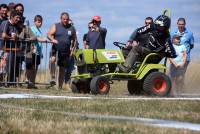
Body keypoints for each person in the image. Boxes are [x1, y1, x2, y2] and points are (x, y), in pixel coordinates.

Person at [48, 12, 77, 89]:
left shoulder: (71, 28)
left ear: (68, 19)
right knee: (52, 60)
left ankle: (60, 87)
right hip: (55, 49)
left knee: (62, 69)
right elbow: (49, 34)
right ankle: (53, 77)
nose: (65, 20)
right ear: (61, 19)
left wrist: (72, 50)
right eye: (64, 19)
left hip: (66, 52)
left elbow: (74, 40)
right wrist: (52, 39)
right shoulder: (56, 26)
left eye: (67, 19)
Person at [171, 18, 194, 87]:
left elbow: (191, 45)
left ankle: (180, 90)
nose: (181, 26)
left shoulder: (189, 34)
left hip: (185, 59)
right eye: (179, 24)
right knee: (172, 75)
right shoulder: (173, 33)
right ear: (177, 24)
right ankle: (173, 91)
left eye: (182, 24)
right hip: (174, 58)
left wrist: (184, 52)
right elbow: (170, 44)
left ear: (185, 24)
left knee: (180, 76)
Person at [25, 15, 47, 88]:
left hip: (38, 52)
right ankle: (29, 81)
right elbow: (34, 38)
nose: (40, 23)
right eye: (38, 22)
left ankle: (32, 83)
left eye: (41, 22)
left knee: (35, 68)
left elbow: (39, 41)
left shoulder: (39, 31)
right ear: (34, 22)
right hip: (32, 52)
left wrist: (41, 53)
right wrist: (42, 39)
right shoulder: (32, 28)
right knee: (30, 67)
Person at [0, 10, 21, 83]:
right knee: (2, 68)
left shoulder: (16, 26)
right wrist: (12, 38)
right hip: (4, 49)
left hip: (11, 50)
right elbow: (3, 35)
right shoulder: (6, 23)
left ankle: (6, 83)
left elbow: (17, 36)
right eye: (17, 17)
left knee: (7, 68)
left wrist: (16, 37)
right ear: (12, 17)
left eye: (19, 18)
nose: (18, 19)